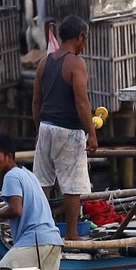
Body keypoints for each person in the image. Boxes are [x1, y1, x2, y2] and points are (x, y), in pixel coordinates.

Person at [32, 14, 97, 240]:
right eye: (84, 39)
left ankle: (40, 231)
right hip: (68, 131)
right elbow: (81, 102)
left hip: (46, 127)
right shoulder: (75, 63)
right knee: (72, 184)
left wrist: (39, 128)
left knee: (43, 181)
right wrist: (92, 133)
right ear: (80, 36)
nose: (84, 44)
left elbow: (36, 102)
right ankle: (71, 233)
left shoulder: (44, 62)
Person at [0, 136, 64, 270]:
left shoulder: (11, 176)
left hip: (34, 239)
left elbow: (15, 210)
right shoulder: (27, 174)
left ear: (9, 156)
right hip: (52, 239)